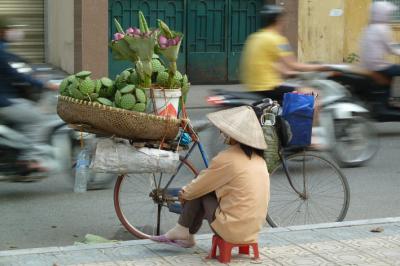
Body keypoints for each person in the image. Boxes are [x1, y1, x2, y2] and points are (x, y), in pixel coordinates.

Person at [150, 106, 269, 248]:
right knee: (201, 190)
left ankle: (183, 230)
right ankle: (185, 233)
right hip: (253, 230)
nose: (222, 132)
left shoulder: (228, 158)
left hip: (233, 230)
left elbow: (199, 185)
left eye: (226, 131)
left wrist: (185, 194)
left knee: (199, 191)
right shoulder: (259, 160)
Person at [0, 16, 58, 171]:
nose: (14, 32)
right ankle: (29, 159)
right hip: (4, 101)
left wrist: (34, 75)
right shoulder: (1, 52)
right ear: (2, 31)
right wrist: (44, 84)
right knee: (38, 118)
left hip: (7, 98)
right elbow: (15, 73)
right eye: (9, 29)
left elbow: (15, 65)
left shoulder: (4, 50)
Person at [240, 4, 327, 102]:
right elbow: (294, 65)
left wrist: (294, 74)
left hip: (253, 87)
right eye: (283, 19)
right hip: (269, 87)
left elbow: (274, 65)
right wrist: (324, 67)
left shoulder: (255, 38)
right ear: (278, 20)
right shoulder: (277, 39)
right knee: (316, 95)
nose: (285, 22)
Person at [360, 1, 400, 106]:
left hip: (367, 64)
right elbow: (390, 49)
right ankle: (386, 100)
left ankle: (386, 98)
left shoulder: (369, 27)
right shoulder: (382, 28)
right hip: (378, 66)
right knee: (395, 69)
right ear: (382, 13)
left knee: (391, 71)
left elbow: (386, 46)